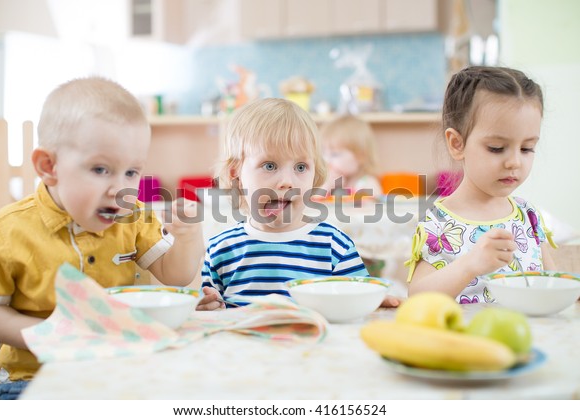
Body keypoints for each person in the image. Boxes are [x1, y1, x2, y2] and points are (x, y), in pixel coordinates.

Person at [0, 77, 206, 399]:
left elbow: (177, 276)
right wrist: (45, 335)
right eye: (101, 170)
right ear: (49, 166)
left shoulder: (133, 215)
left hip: (120, 367)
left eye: (131, 172)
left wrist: (187, 236)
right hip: (34, 377)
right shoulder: (6, 231)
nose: (120, 188)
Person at [200, 98, 401, 308]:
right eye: (269, 166)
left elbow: (359, 302)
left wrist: (373, 301)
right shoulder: (220, 249)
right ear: (236, 174)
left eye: (301, 167)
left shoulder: (335, 246)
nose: (287, 181)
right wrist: (209, 306)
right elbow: (209, 308)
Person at [405, 66, 557, 304]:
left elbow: (553, 282)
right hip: (468, 340)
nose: (514, 162)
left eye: (527, 148)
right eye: (496, 148)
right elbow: (417, 298)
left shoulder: (528, 216)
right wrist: (469, 265)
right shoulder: (439, 224)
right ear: (457, 143)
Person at [320, 114, 382, 198]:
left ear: (360, 157)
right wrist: (326, 187)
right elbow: (311, 204)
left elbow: (375, 208)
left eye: (334, 154)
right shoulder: (329, 182)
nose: (327, 160)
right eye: (323, 153)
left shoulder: (367, 183)